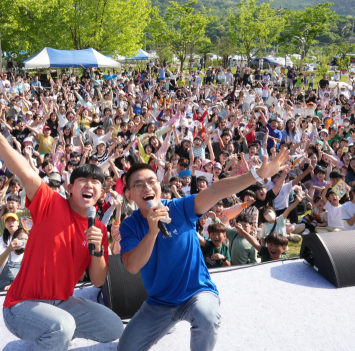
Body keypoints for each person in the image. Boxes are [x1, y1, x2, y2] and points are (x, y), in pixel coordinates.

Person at [117, 148, 289, 351]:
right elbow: (132, 266)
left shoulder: (179, 208)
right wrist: (152, 233)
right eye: (139, 184)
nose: (147, 187)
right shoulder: (129, 226)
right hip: (159, 301)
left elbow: (215, 191)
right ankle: (167, 323)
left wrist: (256, 174)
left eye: (151, 181)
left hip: (197, 293)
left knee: (206, 316)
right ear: (129, 194)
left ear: (158, 184)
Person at [0, 114, 124, 351]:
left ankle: (34, 344)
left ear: (101, 193)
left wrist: (97, 250)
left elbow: (98, 280)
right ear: (69, 188)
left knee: (113, 327)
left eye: (96, 182)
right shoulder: (51, 203)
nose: (90, 184)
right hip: (21, 306)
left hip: (61, 304)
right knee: (62, 326)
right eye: (83, 180)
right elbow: (24, 170)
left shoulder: (97, 228)